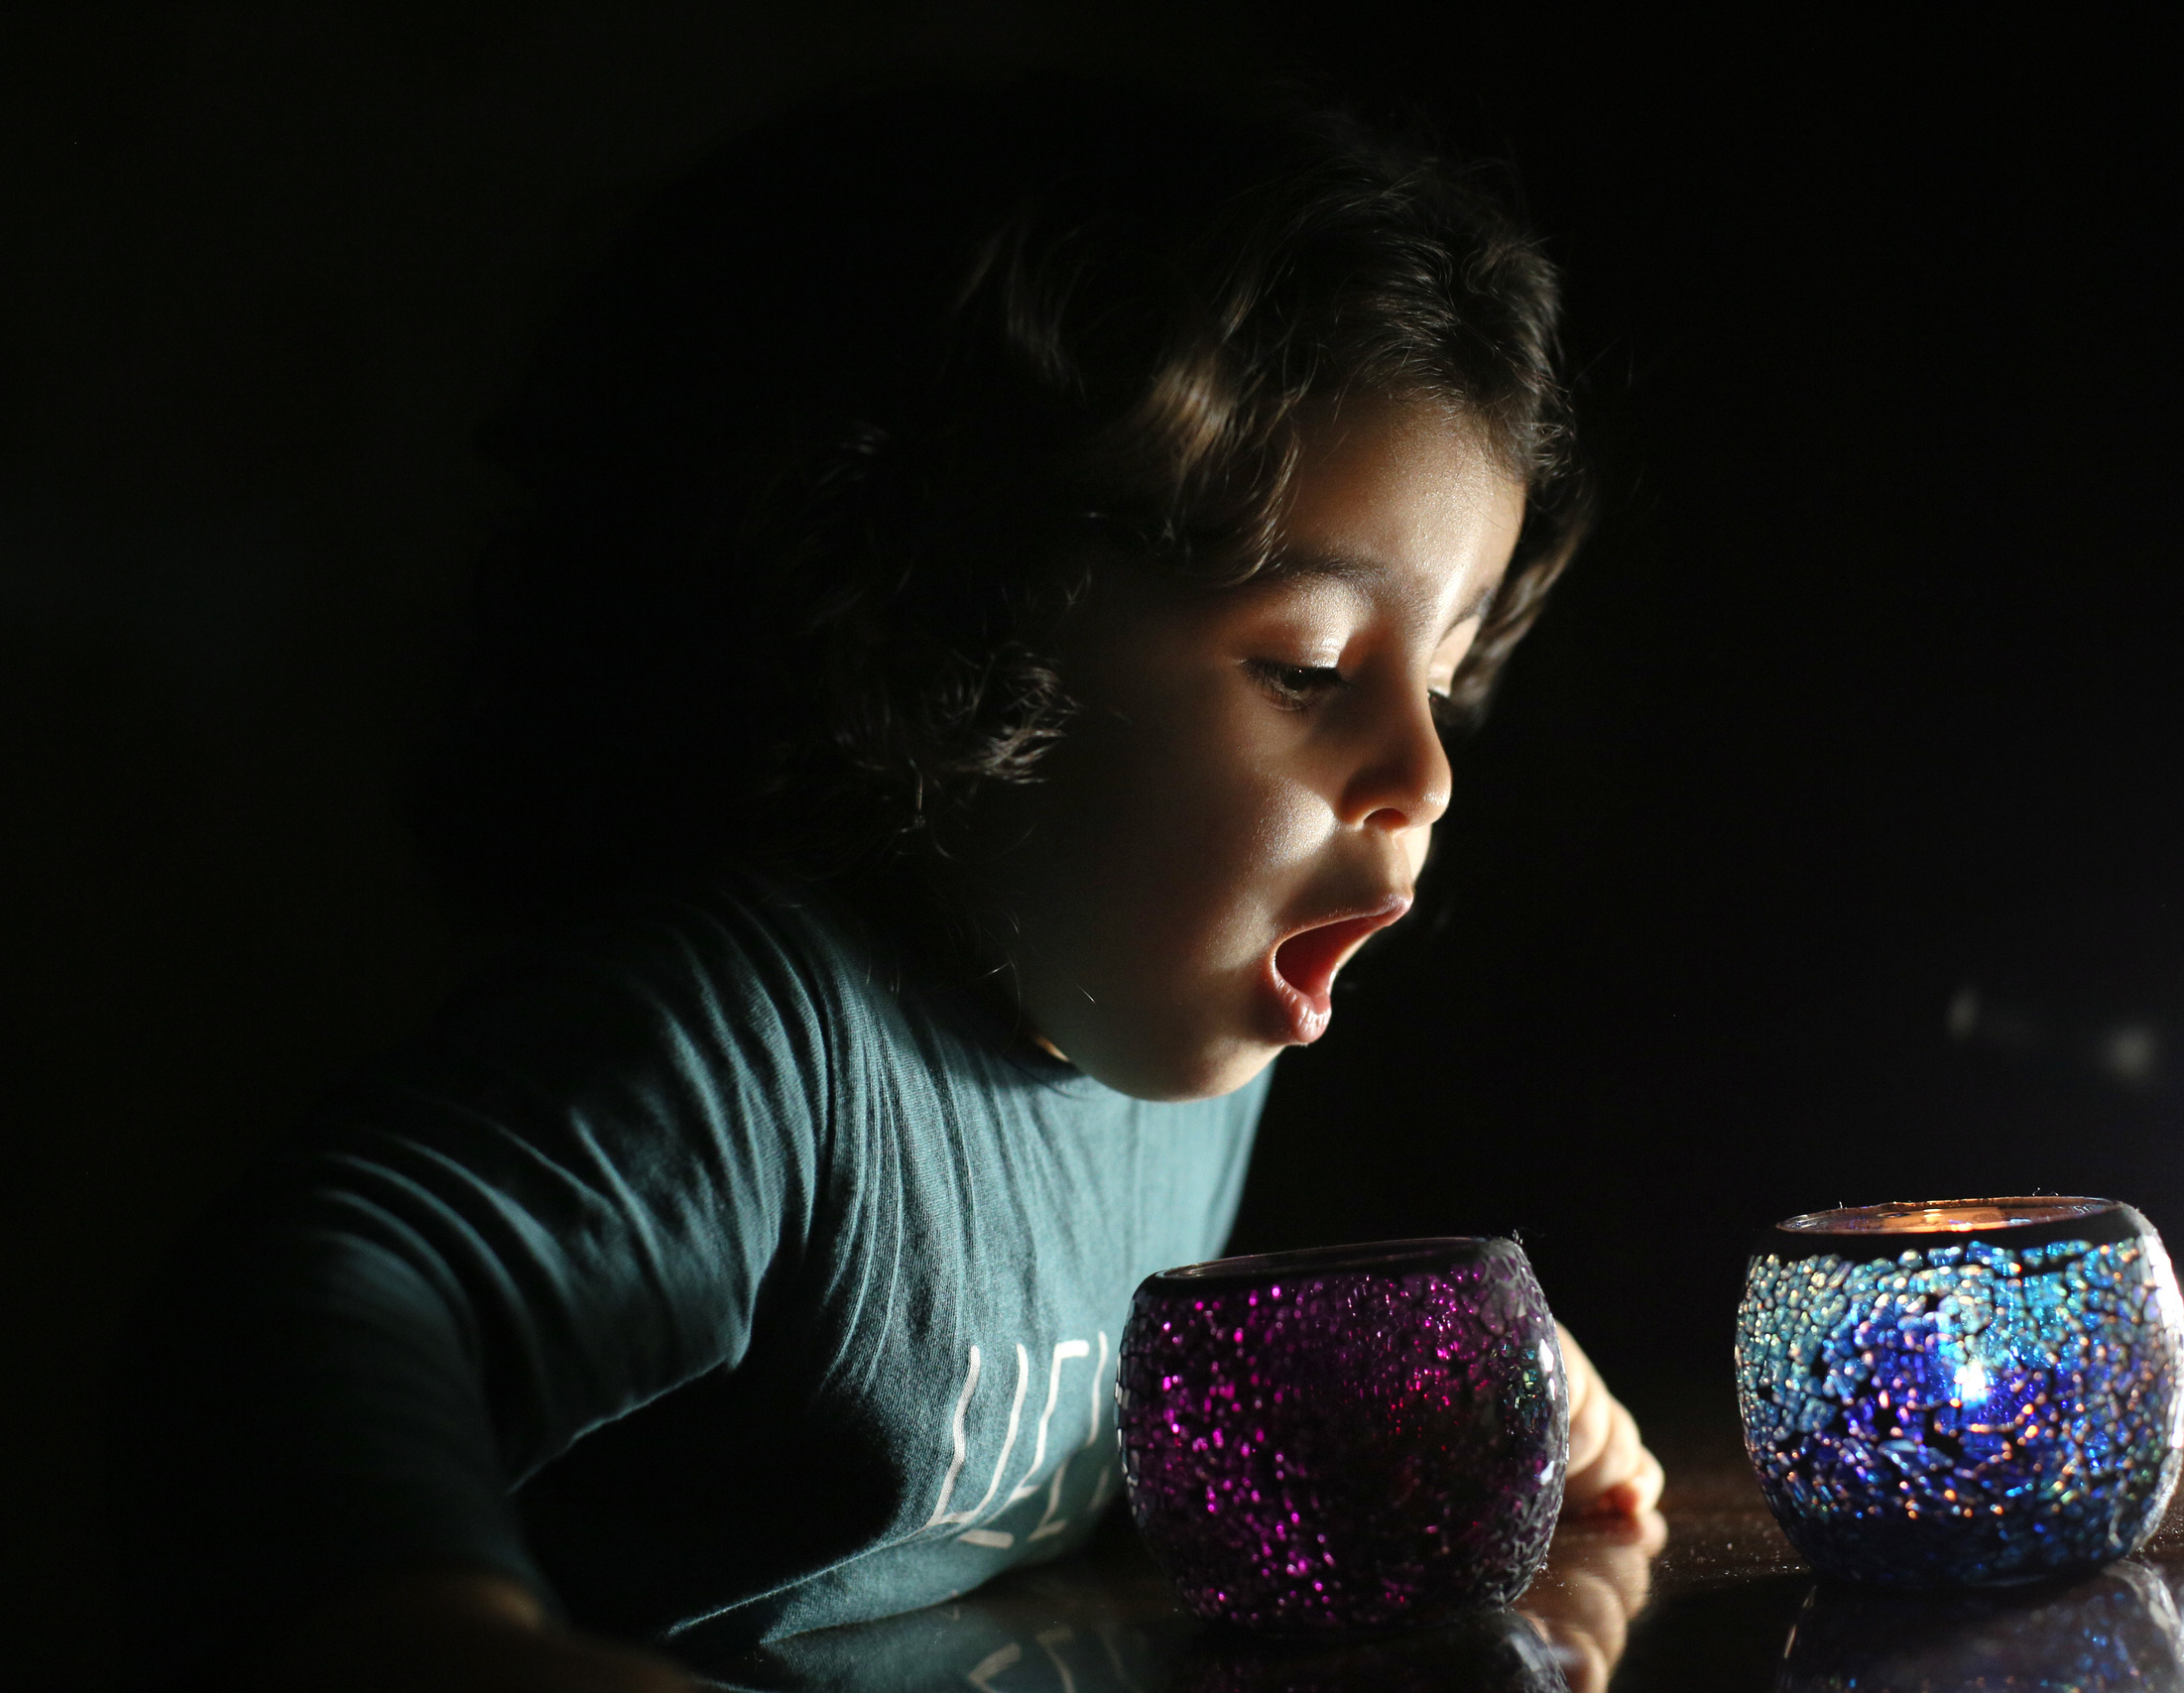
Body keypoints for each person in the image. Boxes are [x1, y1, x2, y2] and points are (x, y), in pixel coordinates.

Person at [112, 78, 1663, 1692]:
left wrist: (1419, 1409)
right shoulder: (754, 1049)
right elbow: (302, 1310)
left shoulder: (1177, 1068)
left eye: (1452, 672)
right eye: (1310, 665)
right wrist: (433, 1635)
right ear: (955, 633)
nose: (1426, 770)